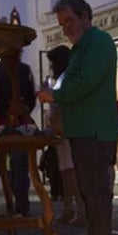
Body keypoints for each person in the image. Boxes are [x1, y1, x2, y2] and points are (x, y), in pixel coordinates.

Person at [37, 0, 118, 235]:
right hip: (82, 130)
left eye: (70, 20)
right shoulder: (79, 49)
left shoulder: (100, 42)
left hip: (95, 130)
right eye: (62, 24)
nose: (67, 28)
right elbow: (71, 81)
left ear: (85, 15)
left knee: (96, 191)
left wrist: (55, 96)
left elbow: (85, 82)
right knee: (89, 190)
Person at [0, 54, 37, 217]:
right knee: (12, 166)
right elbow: (30, 99)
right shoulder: (20, 70)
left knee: (6, 166)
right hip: (11, 123)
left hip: (7, 123)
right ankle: (20, 206)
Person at [44, 44, 85, 225]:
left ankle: (80, 208)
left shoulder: (66, 79)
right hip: (64, 128)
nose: (51, 67)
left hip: (66, 127)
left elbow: (62, 102)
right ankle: (69, 206)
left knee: (70, 170)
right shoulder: (64, 78)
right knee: (65, 169)